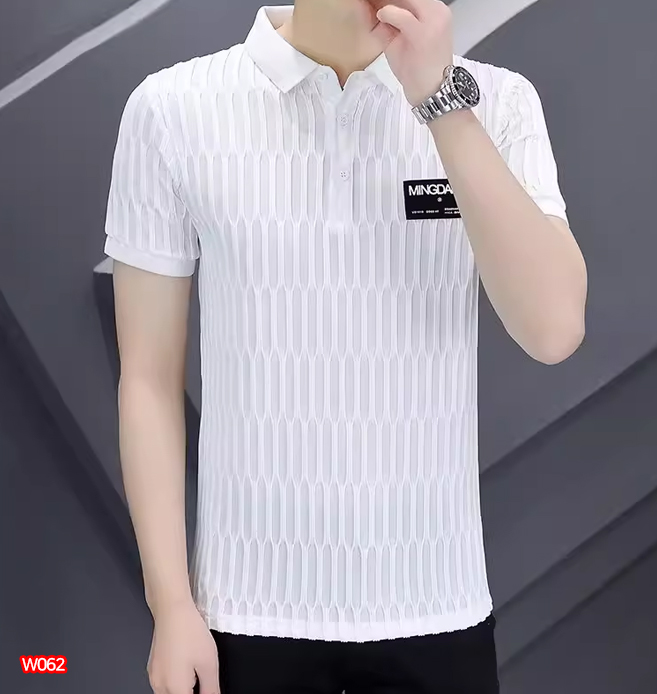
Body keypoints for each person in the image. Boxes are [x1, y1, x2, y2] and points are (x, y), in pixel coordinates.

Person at [104, 1, 587, 692]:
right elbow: (148, 380)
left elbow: (554, 329)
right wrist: (171, 605)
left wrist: (440, 101)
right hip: (242, 613)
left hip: (438, 607)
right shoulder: (174, 108)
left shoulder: (500, 102)